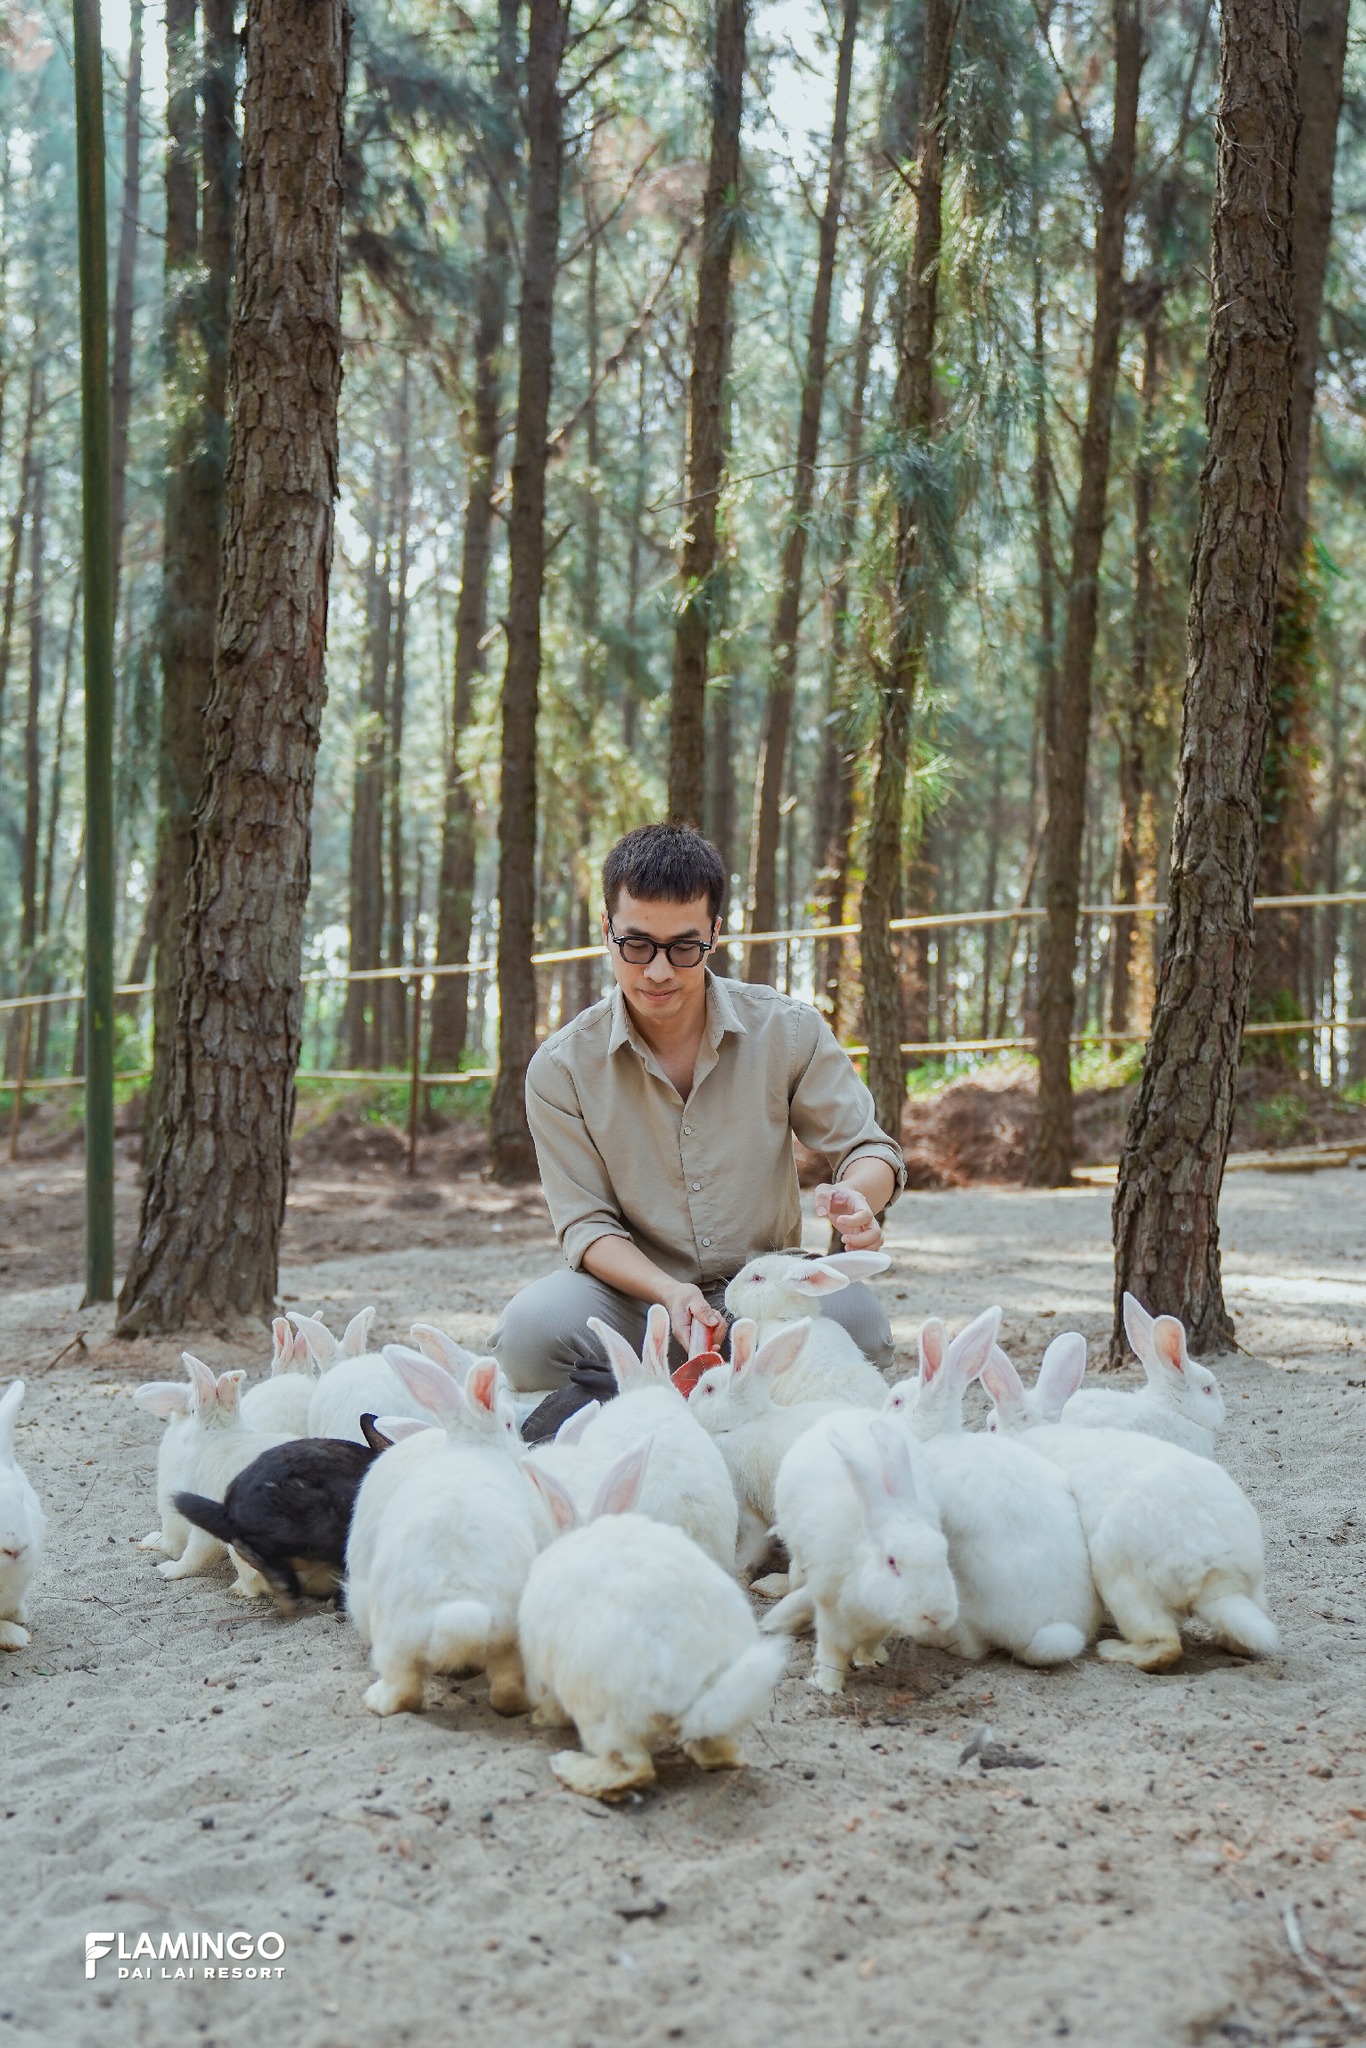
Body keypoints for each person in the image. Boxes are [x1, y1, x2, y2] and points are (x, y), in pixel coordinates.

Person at [490, 822, 905, 1390]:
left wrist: (860, 1196)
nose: (658, 971)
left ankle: (684, 1389)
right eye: (636, 945)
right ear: (607, 930)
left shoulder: (787, 1030)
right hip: (639, 1299)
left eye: (684, 947)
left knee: (863, 1329)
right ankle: (709, 1388)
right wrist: (667, 1293)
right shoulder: (561, 1068)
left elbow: (867, 1148)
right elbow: (586, 1227)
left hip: (767, 1290)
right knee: (530, 1337)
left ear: (714, 933)